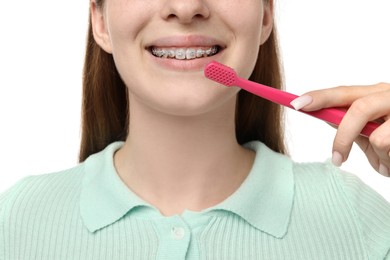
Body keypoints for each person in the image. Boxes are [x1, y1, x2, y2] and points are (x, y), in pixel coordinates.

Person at [1, 0, 389, 259]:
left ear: (266, 15)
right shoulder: (16, 221)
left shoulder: (355, 217)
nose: (186, 8)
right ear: (100, 21)